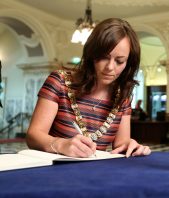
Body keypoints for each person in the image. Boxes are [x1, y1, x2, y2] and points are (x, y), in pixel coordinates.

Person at [26, 18, 151, 158]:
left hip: (96, 174)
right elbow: (33, 136)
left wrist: (131, 146)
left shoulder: (122, 96)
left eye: (119, 61)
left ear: (128, 63)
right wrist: (61, 144)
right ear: (92, 55)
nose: (110, 67)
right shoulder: (59, 81)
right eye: (104, 57)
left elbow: (121, 144)